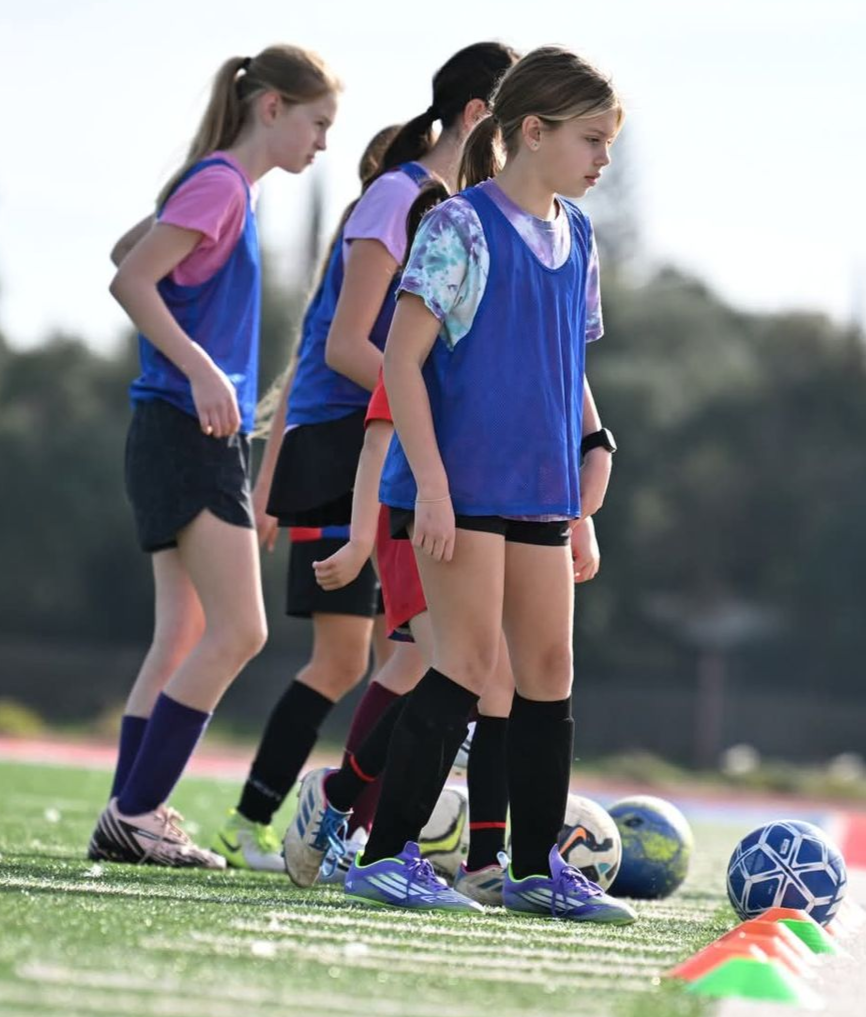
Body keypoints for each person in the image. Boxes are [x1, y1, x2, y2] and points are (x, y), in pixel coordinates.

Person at [286, 47, 631, 923]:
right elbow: (400, 357)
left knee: (549, 670)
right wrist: (429, 486)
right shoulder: (459, 227)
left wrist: (591, 455)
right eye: (590, 140)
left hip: (543, 496)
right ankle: (388, 855)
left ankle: (531, 868)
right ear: (531, 132)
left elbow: (566, 364)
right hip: (460, 492)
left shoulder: (580, 235)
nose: (602, 160)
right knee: (469, 666)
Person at [211, 44, 518, 871]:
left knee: (410, 653)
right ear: (482, 117)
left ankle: (348, 827)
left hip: (392, 444)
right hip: (347, 445)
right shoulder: (401, 197)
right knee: (373, 655)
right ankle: (276, 819)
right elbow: (347, 344)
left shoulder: (454, 206)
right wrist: (433, 410)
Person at [91, 46, 340, 868]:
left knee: (185, 634)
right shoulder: (224, 186)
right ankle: (137, 809)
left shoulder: (220, 186)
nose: (323, 143)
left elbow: (134, 247)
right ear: (271, 107)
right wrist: (199, 366)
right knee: (240, 628)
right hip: (183, 427)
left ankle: (128, 818)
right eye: (317, 123)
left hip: (177, 429)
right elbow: (131, 278)